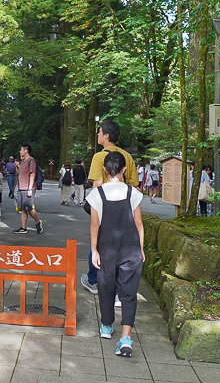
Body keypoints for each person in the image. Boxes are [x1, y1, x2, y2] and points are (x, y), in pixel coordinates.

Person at [87, 151, 144, 357]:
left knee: (106, 287)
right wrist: (142, 248)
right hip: (130, 249)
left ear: (104, 169)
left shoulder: (97, 193)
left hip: (106, 248)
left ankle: (107, 325)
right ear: (124, 169)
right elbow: (139, 223)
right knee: (128, 292)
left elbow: (95, 224)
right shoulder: (133, 193)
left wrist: (94, 250)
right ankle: (126, 337)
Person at [81, 119, 136, 293]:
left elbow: (97, 185)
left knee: (97, 243)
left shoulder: (99, 156)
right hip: (124, 207)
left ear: (106, 135)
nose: (97, 134)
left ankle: (94, 280)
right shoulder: (127, 156)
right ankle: (119, 285)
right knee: (121, 245)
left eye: (99, 132)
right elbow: (134, 186)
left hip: (104, 207)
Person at [14, 145, 44, 234]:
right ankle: (23, 227)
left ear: (26, 151)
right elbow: (19, 173)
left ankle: (38, 222)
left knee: (29, 208)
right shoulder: (22, 162)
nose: (20, 151)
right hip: (21, 187)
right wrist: (17, 166)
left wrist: (30, 188)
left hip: (28, 188)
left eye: (21, 150)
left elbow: (32, 175)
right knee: (23, 209)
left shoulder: (31, 161)